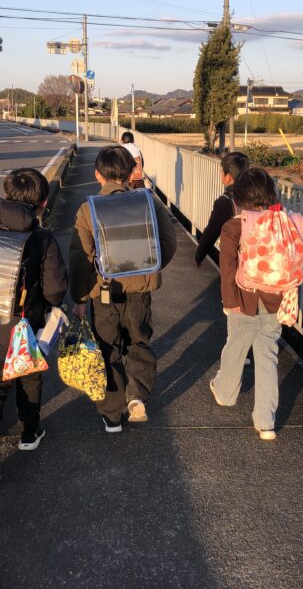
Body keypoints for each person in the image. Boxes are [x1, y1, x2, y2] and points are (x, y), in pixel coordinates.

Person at [0, 168, 68, 483]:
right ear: (43, 203)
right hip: (23, 329)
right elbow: (55, 291)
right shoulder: (42, 239)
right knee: (29, 378)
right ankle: (30, 432)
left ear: (7, 195)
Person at [69, 146, 177, 432]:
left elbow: (80, 258)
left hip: (103, 292)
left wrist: (80, 298)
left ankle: (112, 414)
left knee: (108, 348)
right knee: (139, 341)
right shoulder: (148, 202)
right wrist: (151, 268)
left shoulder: (88, 209)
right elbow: (169, 242)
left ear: (97, 175)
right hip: (139, 289)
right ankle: (137, 397)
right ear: (131, 173)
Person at [209, 167, 283, 441]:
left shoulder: (234, 227)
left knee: (235, 348)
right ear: (270, 195)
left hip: (243, 298)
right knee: (267, 358)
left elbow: (228, 268)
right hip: (275, 299)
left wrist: (229, 302)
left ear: (238, 198)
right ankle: (266, 423)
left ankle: (225, 393)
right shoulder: (281, 223)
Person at [194, 152, 250, 267]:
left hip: (235, 260)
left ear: (228, 176)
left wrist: (199, 256)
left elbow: (211, 231)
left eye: (221, 171)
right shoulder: (256, 195)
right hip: (257, 256)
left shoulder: (225, 201)